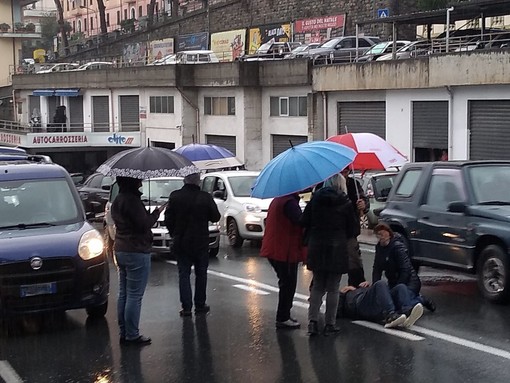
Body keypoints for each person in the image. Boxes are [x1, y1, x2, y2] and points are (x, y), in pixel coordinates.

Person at [301, 174, 358, 336]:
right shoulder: (345, 202)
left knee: (318, 285)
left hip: (317, 247)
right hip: (337, 248)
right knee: (333, 288)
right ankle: (330, 324)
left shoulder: (315, 200)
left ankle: (312, 322)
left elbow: (304, 221)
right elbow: (353, 230)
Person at [111, 176, 164, 346]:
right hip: (136, 250)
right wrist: (156, 213)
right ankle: (132, 334)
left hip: (120, 248)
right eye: (138, 180)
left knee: (124, 293)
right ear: (131, 182)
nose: (141, 182)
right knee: (134, 295)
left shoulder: (118, 200)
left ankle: (124, 331)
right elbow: (144, 224)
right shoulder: (132, 201)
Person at [164, 172, 221, 317]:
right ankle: (200, 305)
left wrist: (174, 233)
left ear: (184, 180)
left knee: (184, 274)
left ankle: (187, 307)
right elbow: (216, 216)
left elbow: (168, 219)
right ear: (198, 181)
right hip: (201, 241)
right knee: (201, 274)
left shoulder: (175, 196)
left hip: (181, 241)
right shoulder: (205, 197)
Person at [361, 223, 435, 326]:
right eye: (378, 235)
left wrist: (399, 285)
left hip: (409, 282)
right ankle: (414, 304)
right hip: (394, 281)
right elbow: (377, 268)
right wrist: (375, 286)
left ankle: (420, 300)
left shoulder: (397, 247)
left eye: (382, 235)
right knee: (394, 298)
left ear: (389, 234)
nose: (380, 238)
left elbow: (405, 269)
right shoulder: (379, 248)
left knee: (400, 297)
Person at [260, 192, 307, 329]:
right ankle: (283, 317)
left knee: (286, 282)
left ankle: (284, 314)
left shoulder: (280, 199)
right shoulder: (289, 202)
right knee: (288, 283)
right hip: (283, 249)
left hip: (278, 247)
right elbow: (300, 220)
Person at [337, 280, 418, 328]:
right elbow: (336, 310)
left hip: (370, 300)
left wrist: (366, 286)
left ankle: (407, 312)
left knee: (401, 287)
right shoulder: (342, 296)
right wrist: (341, 293)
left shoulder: (357, 289)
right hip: (359, 305)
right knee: (380, 284)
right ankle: (390, 315)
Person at [340, 166, 369, 287]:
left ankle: (357, 291)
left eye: (346, 171)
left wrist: (363, 205)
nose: (344, 173)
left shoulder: (354, 184)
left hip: (350, 230)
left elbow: (364, 200)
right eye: (342, 171)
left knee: (354, 262)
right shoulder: (326, 185)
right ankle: (317, 293)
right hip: (331, 232)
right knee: (327, 267)